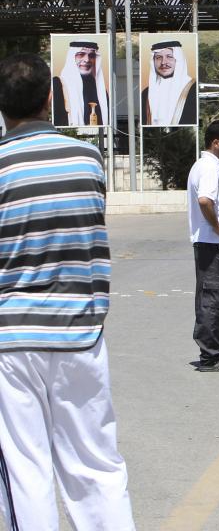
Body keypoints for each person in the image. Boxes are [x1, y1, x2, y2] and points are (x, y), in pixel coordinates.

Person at [0, 53, 135, 530]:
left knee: (26, 468)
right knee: (95, 461)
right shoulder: (87, 158)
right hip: (80, 331)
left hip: (13, 338)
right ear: (49, 100)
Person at [187, 120, 219, 372]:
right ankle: (211, 356)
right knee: (214, 299)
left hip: (213, 243)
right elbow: (205, 201)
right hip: (212, 242)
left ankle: (214, 353)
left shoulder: (209, 165)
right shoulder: (207, 167)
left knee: (215, 297)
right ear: (216, 142)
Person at [52, 39, 109, 126]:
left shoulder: (99, 88)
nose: (87, 60)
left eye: (91, 55)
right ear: (72, 57)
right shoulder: (58, 84)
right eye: (81, 54)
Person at [141, 40, 197, 125]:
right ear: (153, 62)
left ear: (178, 60)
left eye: (169, 57)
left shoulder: (194, 88)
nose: (164, 62)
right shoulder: (146, 93)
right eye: (159, 58)